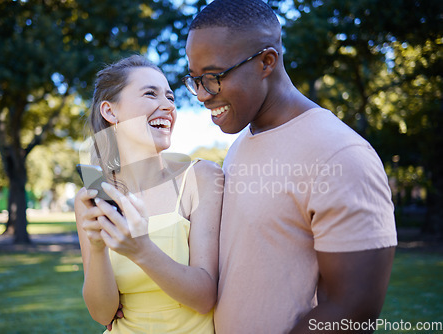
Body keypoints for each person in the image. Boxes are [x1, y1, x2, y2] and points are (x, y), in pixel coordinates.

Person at [182, 1, 397, 333]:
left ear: (267, 62)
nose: (201, 94)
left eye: (212, 77)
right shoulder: (240, 146)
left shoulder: (340, 154)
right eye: (194, 79)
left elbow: (353, 310)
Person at [74, 55, 223, 333]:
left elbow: (204, 297)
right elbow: (102, 312)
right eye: (150, 94)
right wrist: (97, 248)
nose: (167, 106)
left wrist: (141, 249)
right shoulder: (94, 195)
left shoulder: (200, 178)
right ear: (110, 111)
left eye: (170, 97)